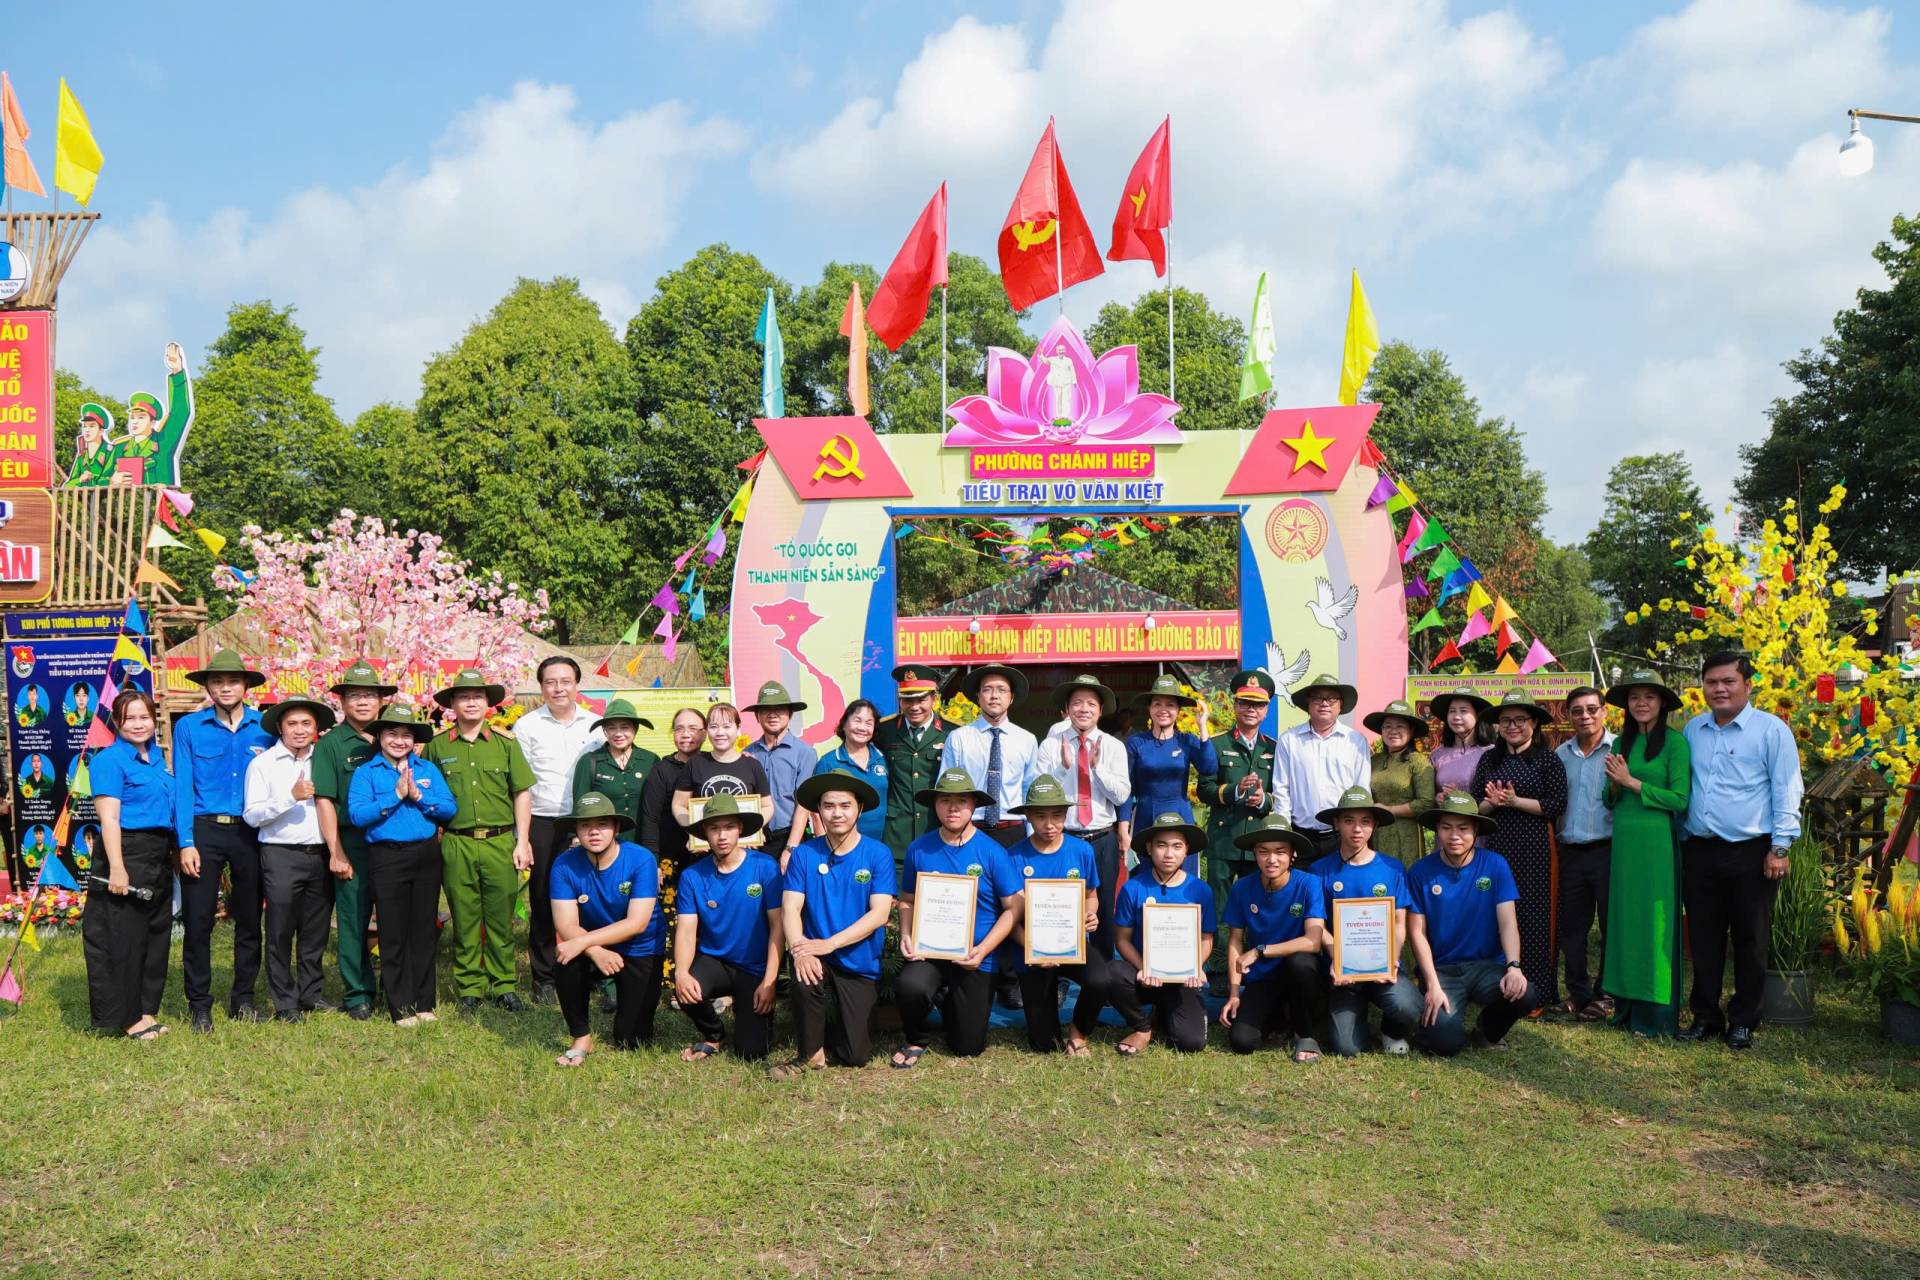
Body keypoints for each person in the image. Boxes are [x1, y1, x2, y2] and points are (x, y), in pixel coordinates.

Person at [1680, 651, 1802, 1050]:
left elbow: (1787, 789)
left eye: (1728, 681)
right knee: (1703, 937)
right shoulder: (1693, 730)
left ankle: (1744, 1020)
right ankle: (1705, 1016)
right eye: (1711, 682)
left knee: (1751, 939)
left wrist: (1780, 847)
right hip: (1699, 849)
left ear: (1748, 685)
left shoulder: (1771, 731)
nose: (1719, 689)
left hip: (1751, 852)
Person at [172, 648, 274, 1031]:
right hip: (204, 829)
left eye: (233, 681)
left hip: (251, 830)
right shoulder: (189, 728)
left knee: (249, 918)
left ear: (246, 685)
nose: (225, 687)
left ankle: (243, 998)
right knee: (198, 920)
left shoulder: (265, 727)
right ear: (208, 687)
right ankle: (199, 1004)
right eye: (217, 681)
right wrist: (185, 842)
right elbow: (183, 787)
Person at [892, 769, 1023, 1067]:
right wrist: (906, 934)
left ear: (973, 805)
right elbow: (907, 900)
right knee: (910, 986)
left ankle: (948, 999)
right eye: (945, 800)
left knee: (967, 1047)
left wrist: (983, 950)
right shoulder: (919, 848)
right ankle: (917, 1038)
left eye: (961, 801)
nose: (953, 808)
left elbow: (1013, 909)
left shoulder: (992, 851)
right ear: (935, 805)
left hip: (976, 955)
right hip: (930, 951)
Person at [422, 669, 535, 1013]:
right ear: (453, 704)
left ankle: (504, 985)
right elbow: (425, 793)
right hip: (456, 842)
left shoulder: (505, 744)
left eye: (477, 697)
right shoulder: (437, 746)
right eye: (463, 697)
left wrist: (523, 841)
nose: (470, 702)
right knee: (464, 916)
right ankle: (470, 986)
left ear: (488, 703)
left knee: (501, 918)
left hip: (499, 842)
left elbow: (521, 793)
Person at [772, 771, 897, 1078]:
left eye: (845, 805)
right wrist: (799, 950)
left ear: (860, 809)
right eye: (828, 806)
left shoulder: (878, 854)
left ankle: (837, 1029)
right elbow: (791, 908)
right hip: (816, 953)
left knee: (856, 1056)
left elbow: (880, 914)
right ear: (818, 810)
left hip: (858, 960)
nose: (837, 813)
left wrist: (831, 943)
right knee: (804, 977)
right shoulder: (804, 854)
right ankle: (811, 1054)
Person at [347, 704, 456, 1025]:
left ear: (414, 740)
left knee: (423, 929)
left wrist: (420, 798)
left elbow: (449, 808)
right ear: (380, 737)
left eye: (406, 735)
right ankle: (400, 1006)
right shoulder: (367, 772)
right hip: (387, 856)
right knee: (393, 931)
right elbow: (358, 815)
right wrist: (394, 796)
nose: (399, 741)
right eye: (392, 733)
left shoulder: (427, 769)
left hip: (426, 855)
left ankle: (424, 1002)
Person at [1407, 791, 1538, 1054]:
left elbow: (1508, 923)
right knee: (1445, 1044)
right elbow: (1417, 933)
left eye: (1463, 828)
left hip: (1486, 966)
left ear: (1476, 831)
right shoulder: (1420, 871)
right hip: (1442, 969)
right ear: (1437, 830)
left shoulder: (1495, 865)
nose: (1454, 836)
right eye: (1446, 827)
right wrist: (1432, 984)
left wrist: (1514, 967)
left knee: (1526, 994)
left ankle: (1486, 1031)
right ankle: (1432, 1021)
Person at [1602, 670, 1692, 1038]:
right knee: (1625, 919)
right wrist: (1615, 785)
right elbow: (1609, 799)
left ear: (1662, 703)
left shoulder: (1675, 744)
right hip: (1624, 844)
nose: (1641, 703)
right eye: (1635, 697)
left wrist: (1631, 782)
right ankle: (1625, 1005)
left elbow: (1680, 800)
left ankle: (1655, 1014)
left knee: (1654, 922)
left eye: (1649, 697)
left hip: (1657, 846)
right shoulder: (1618, 743)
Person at [82, 690, 176, 1040]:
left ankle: (145, 1009)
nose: (138, 724)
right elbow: (109, 819)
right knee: (122, 937)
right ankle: (126, 1017)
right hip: (126, 850)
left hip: (157, 851)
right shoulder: (109, 760)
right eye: (130, 718)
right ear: (117, 722)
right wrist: (117, 868)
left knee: (155, 934)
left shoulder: (157, 759)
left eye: (144, 717)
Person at [1469, 689, 1568, 1010]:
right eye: (1506, 721)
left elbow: (1556, 804)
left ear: (1534, 723)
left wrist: (1514, 801)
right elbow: (1474, 808)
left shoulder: (1547, 759)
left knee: (1536, 917)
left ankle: (1536, 992)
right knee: (1496, 913)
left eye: (1520, 720)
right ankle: (1497, 986)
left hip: (1537, 848)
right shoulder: (1489, 759)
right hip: (1497, 848)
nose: (1513, 726)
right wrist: (1491, 803)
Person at [548, 791, 663, 1066]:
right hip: (594, 943)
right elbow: (565, 924)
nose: (594, 832)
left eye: (602, 824)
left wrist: (584, 942)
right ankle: (581, 1036)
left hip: (640, 946)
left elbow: (637, 923)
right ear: (576, 831)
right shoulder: (564, 864)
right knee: (566, 958)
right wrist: (594, 949)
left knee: (630, 1040)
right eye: (585, 825)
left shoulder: (641, 859)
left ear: (616, 828)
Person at [514, 655, 603, 1007]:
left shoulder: (594, 725)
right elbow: (520, 784)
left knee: (590, 895)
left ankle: (593, 970)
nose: (558, 688)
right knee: (542, 898)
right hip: (543, 821)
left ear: (577, 685)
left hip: (587, 820)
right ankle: (545, 977)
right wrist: (522, 837)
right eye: (550, 682)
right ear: (541, 687)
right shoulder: (527, 726)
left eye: (565, 681)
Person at [312, 658, 398, 1022]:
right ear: (343, 701)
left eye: (370, 695)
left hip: (394, 841)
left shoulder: (395, 736)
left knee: (395, 916)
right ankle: (358, 993)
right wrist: (336, 850)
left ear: (381, 700)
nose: (363, 702)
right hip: (354, 841)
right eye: (355, 695)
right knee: (353, 920)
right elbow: (324, 800)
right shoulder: (331, 744)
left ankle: (396, 986)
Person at [243, 696, 339, 1023]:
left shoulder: (323, 759)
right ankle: (285, 1001)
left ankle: (311, 993)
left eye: (306, 724)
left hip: (319, 852)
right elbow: (252, 815)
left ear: (316, 728)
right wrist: (290, 797)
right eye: (292, 724)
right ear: (280, 728)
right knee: (280, 929)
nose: (299, 730)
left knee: (316, 929)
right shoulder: (263, 764)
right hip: (281, 853)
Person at [1309, 786, 1424, 1057]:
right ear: (1336, 823)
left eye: (1365, 821)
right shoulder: (1319, 870)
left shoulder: (1392, 868)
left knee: (1410, 1007)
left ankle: (1390, 1030)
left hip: (1382, 964)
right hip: (1342, 973)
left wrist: (1392, 960)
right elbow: (1317, 925)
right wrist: (1338, 957)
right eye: (1349, 821)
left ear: (1374, 825)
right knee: (1348, 1048)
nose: (1357, 829)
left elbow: (1399, 923)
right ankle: (1350, 1014)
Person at [673, 793, 784, 1062]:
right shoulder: (692, 876)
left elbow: (778, 927)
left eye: (729, 827)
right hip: (716, 961)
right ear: (704, 833)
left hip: (754, 967)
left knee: (751, 1053)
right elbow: (686, 932)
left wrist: (770, 981)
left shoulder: (765, 867)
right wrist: (681, 973)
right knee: (686, 989)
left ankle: (757, 1016)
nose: (722, 835)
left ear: (740, 829)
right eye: (714, 828)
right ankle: (714, 1034)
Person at [1004, 776, 1109, 1056]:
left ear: (1066, 815)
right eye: (1040, 816)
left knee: (1101, 979)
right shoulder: (1013, 857)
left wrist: (1090, 914)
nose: (1049, 824)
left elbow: (1091, 895)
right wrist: (1033, 947)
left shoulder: (1082, 850)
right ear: (1028, 816)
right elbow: (1009, 918)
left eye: (1057, 815)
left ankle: (1078, 1032)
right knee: (1044, 1044)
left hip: (1071, 944)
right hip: (1030, 949)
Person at [1105, 811, 1216, 1055]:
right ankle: (1142, 1028)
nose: (1169, 854)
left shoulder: (1201, 890)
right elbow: (1122, 940)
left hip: (1182, 978)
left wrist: (1196, 966)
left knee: (1191, 1043)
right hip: (1144, 975)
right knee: (1111, 973)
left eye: (1177, 846)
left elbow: (1206, 939)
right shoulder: (1133, 888)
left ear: (1186, 850)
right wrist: (1144, 966)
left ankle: (1163, 1012)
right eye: (1161, 845)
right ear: (1149, 847)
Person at [1038, 673, 1131, 959]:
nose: (1084, 709)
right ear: (1067, 708)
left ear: (1100, 710)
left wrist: (1097, 769)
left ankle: (1102, 969)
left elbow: (1122, 796)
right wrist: (1064, 768)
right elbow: (1038, 793)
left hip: (1102, 838)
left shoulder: (1113, 746)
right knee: (1061, 905)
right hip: (1064, 838)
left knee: (1103, 906)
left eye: (1091, 704)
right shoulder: (1051, 745)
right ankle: (1060, 968)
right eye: (1077, 703)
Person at [1220, 813, 1324, 1061]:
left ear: (1292, 854)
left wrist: (1260, 950)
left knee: (1301, 962)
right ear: (1255, 854)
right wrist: (1234, 993)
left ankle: (1304, 1033)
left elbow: (1313, 940)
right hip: (1263, 979)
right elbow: (1235, 940)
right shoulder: (1242, 887)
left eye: (1280, 851)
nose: (1272, 859)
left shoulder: (1309, 883)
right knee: (1242, 1041)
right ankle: (1278, 1016)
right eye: (1263, 852)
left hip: (1299, 975)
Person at [1201, 670, 1279, 991]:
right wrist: (1235, 791)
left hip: (1259, 842)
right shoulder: (1217, 744)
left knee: (1259, 907)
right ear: (1234, 705)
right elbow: (1205, 788)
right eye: (1245, 703)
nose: (1251, 710)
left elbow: (1281, 792)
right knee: (1221, 908)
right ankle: (1221, 971)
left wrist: (1264, 800)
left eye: (1258, 705)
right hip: (1224, 840)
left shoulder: (1274, 748)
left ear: (1267, 710)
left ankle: (1258, 969)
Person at [1554, 685, 1615, 1021]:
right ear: (1568, 715)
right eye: (1577, 711)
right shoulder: (1561, 755)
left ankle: (1605, 995)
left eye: (1592, 709)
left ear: (1604, 711)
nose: (1585, 716)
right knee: (1572, 929)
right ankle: (1578, 993)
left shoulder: (1619, 749)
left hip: (1608, 851)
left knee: (1610, 926)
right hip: (1571, 853)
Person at [1121, 674, 1217, 874]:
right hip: (1145, 818)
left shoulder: (1186, 740)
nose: (1163, 710)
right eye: (1157, 704)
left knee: (1183, 879)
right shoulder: (1136, 743)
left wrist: (1202, 726)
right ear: (1149, 708)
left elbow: (1209, 767)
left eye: (1170, 705)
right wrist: (1123, 829)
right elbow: (1127, 789)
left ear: (1178, 710)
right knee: (1144, 879)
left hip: (1180, 817)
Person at [940, 663, 1040, 849]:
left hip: (1013, 830)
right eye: (987, 689)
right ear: (978, 696)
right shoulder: (959, 738)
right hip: (970, 829)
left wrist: (1032, 836)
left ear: (1011, 697)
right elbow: (946, 789)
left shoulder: (1027, 740)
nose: (994, 696)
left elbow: (1030, 791)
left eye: (1002, 690)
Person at [1270, 673, 1371, 857]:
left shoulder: (1355, 741)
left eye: (1331, 699)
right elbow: (1282, 790)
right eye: (1317, 698)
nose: (1324, 703)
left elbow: (1362, 790)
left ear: (1341, 705)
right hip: (1301, 836)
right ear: (1308, 704)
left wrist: (1359, 835)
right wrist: (1286, 836)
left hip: (1342, 837)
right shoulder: (1289, 740)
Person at [875, 664, 954, 867]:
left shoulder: (952, 732)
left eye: (921, 699)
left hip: (936, 831)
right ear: (900, 700)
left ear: (934, 699)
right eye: (908, 700)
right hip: (896, 835)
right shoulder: (884, 730)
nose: (914, 707)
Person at [674, 703, 774, 846]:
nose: (720, 732)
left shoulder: (752, 765)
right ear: (707, 730)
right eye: (714, 726)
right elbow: (679, 805)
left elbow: (767, 806)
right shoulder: (695, 764)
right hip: (706, 851)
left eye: (727, 726)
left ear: (738, 729)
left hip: (744, 849)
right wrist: (696, 834)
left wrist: (751, 831)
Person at [743, 680, 817, 861]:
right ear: (757, 716)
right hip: (754, 841)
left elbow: (803, 805)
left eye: (780, 709)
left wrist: (790, 848)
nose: (773, 714)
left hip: (790, 838)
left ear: (790, 714)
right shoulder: (747, 753)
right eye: (765, 710)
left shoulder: (805, 753)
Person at [570, 698, 658, 837]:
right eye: (611, 728)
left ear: (635, 729)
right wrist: (575, 837)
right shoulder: (589, 761)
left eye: (625, 727)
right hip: (604, 841)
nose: (618, 734)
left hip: (643, 840)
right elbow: (580, 804)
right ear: (604, 730)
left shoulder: (650, 760)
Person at [1364, 699, 1435, 866]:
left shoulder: (1418, 762)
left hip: (1406, 834)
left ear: (1411, 730)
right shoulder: (1374, 761)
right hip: (1376, 833)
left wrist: (1388, 810)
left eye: (1400, 726)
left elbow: (1425, 803)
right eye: (1387, 726)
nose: (1393, 731)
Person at [810, 700, 888, 846]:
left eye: (869, 723)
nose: (862, 728)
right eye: (857, 721)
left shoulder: (883, 758)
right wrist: (825, 845)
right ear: (844, 724)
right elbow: (815, 810)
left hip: (880, 844)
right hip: (840, 845)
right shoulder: (828, 762)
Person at [114, 342, 193, 486]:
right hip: (126, 500)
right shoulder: (119, 448)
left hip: (159, 499)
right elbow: (100, 477)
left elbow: (180, 412)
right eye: (132, 417)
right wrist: (112, 480)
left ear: (152, 422)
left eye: (141, 417)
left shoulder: (163, 441)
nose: (135, 421)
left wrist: (177, 371)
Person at [641, 707, 705, 881]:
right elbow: (650, 819)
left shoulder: (713, 763)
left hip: (711, 857)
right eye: (679, 729)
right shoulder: (661, 770)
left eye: (693, 728)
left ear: (705, 733)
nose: (685, 734)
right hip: (671, 860)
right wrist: (652, 863)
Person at [1427, 688, 1494, 795]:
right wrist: (1437, 798)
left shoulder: (1491, 753)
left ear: (1477, 715)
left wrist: (1460, 797)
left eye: (1463, 711)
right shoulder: (1437, 755)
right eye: (1452, 711)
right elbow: (1427, 795)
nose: (1456, 717)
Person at [63, 402, 120, 487]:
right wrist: (80, 479)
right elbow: (67, 485)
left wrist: (93, 478)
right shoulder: (81, 458)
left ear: (101, 431)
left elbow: (115, 479)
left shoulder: (111, 452)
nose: (87, 430)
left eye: (92, 426)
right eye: (85, 426)